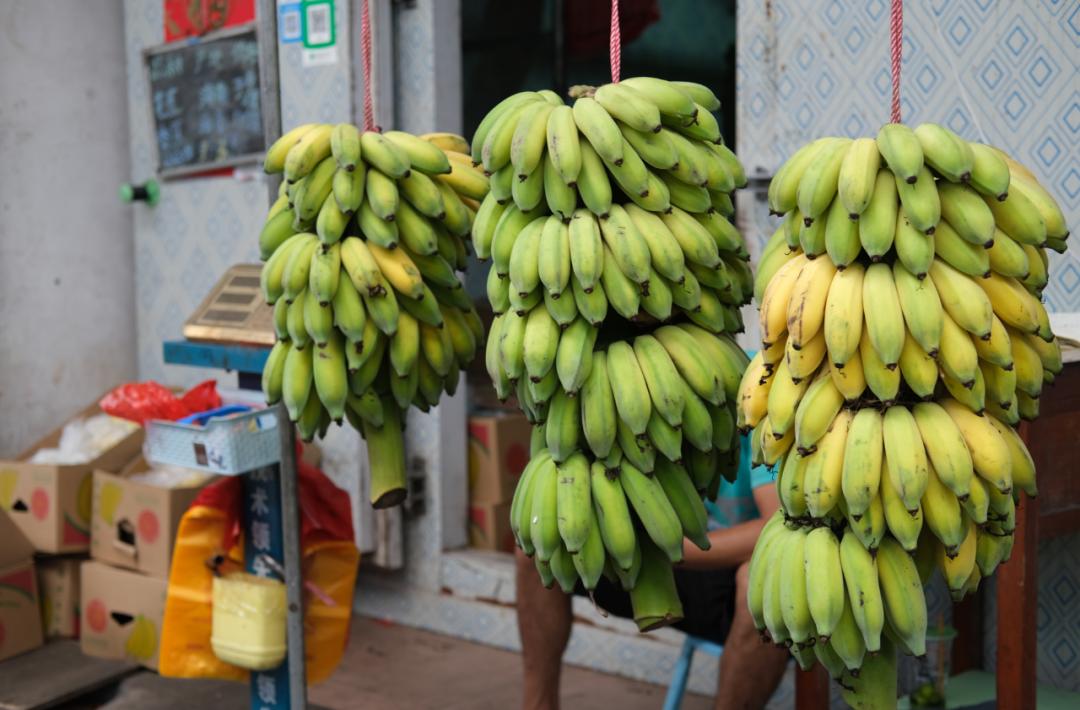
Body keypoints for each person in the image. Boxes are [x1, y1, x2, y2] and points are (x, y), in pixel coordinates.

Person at [514, 440, 789, 710]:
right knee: (537, 549)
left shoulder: (764, 416)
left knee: (765, 584)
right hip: (658, 550)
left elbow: (776, 524)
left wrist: (669, 548)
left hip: (723, 572)